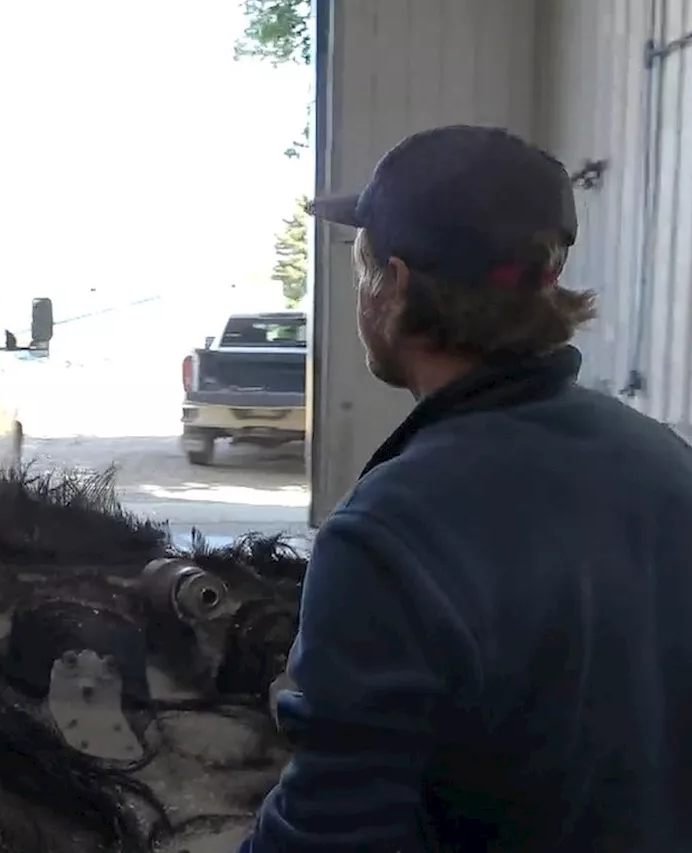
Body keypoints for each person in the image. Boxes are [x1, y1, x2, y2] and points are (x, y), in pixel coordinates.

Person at [239, 125, 692, 852]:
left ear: (398, 285)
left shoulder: (387, 533)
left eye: (364, 273)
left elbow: (328, 836)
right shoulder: (668, 461)